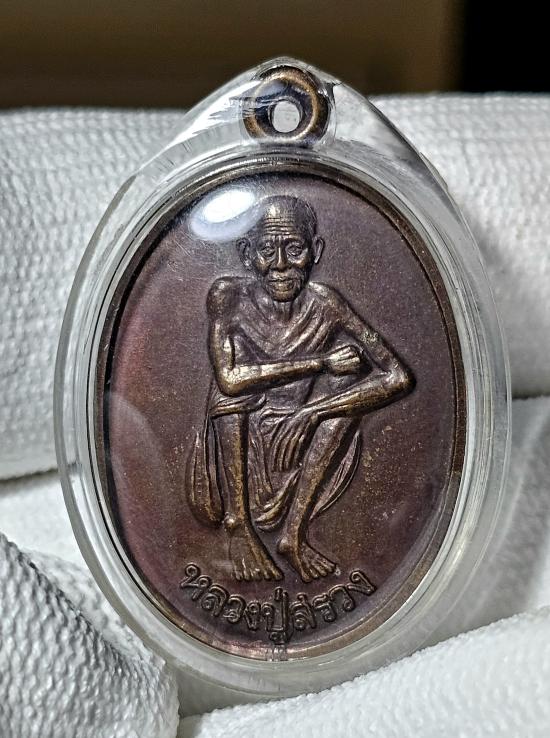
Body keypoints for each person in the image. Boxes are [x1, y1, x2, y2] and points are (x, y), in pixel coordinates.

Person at [187, 195, 413, 582]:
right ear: (246, 254)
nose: (280, 265)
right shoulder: (228, 297)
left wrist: (314, 412)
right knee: (232, 385)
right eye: (266, 250)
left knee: (348, 385)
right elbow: (228, 380)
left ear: (315, 251)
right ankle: (238, 522)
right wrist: (320, 362)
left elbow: (398, 376)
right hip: (239, 443)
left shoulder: (327, 304)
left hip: (300, 440)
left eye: (294, 249)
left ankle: (293, 535)